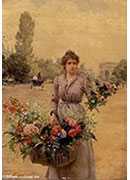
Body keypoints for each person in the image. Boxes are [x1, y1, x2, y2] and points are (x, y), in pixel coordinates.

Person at [47, 50, 96, 180]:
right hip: (61, 113)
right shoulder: (58, 79)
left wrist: (98, 93)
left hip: (77, 115)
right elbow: (55, 99)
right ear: (65, 65)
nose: (73, 66)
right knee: (59, 143)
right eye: (69, 63)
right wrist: (53, 113)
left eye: (75, 63)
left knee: (79, 145)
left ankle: (80, 176)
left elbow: (92, 97)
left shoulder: (82, 79)